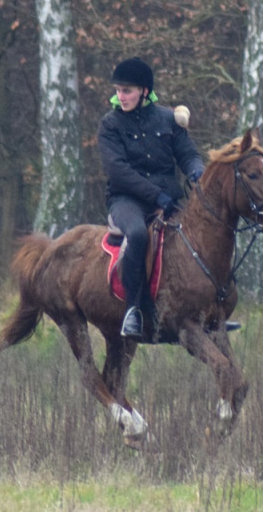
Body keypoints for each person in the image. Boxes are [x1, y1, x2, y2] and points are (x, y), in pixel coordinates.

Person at [98, 57, 204, 338]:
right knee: (138, 234)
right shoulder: (110, 125)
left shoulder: (168, 119)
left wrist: (197, 173)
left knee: (201, 234)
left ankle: (206, 309)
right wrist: (156, 195)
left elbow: (188, 154)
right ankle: (134, 310)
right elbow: (118, 172)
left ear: (145, 91)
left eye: (127, 91)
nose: (121, 97)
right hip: (127, 201)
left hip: (168, 199)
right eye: (119, 91)